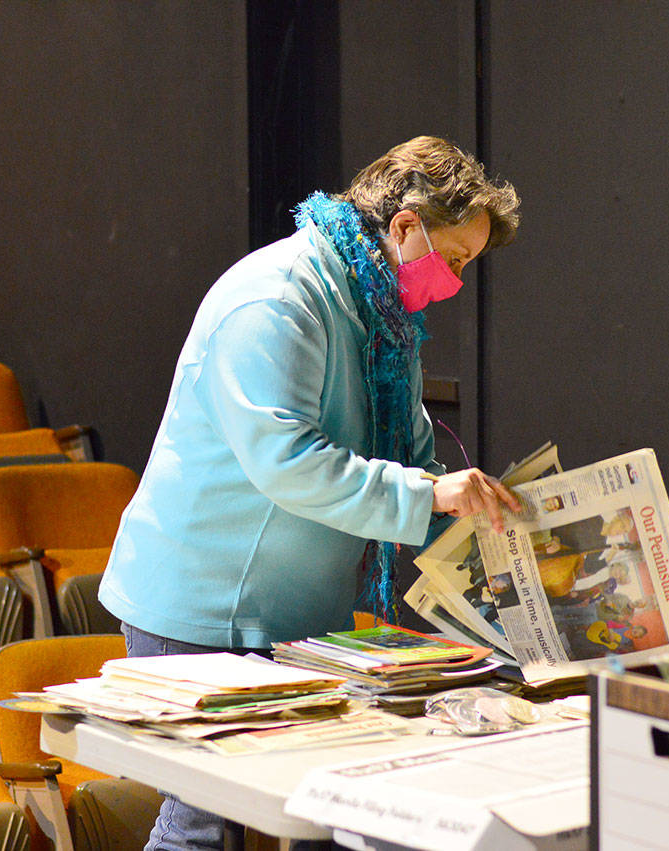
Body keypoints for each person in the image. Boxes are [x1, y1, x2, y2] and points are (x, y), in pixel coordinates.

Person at [98, 136, 522, 850]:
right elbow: (286, 461)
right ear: (404, 225)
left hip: (297, 613)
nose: (453, 281)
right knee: (202, 823)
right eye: (453, 259)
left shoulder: (385, 319)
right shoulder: (280, 296)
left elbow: (411, 455)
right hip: (205, 607)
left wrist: (488, 518)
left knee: (331, 811)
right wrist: (429, 496)